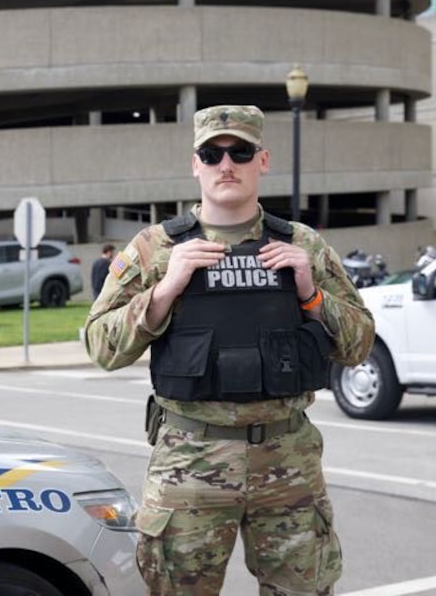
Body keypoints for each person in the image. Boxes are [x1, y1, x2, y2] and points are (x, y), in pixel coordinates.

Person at [84, 104, 375, 595]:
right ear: (194, 164)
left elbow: (359, 345)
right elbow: (100, 346)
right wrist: (166, 288)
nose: (226, 164)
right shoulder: (156, 248)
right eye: (211, 153)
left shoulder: (304, 245)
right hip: (189, 464)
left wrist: (311, 292)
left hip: (288, 462)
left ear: (262, 161)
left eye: (240, 152)